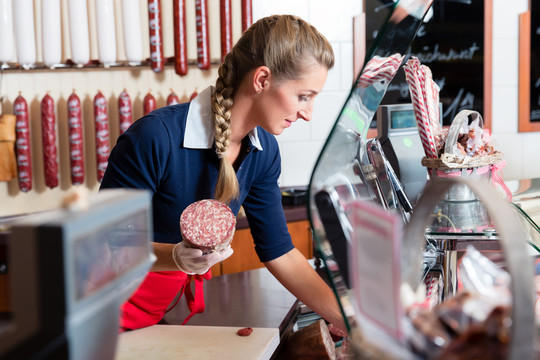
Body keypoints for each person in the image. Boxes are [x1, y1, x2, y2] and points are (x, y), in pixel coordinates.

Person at [100, 14, 345, 332]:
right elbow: (105, 244)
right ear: (261, 80)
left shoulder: (264, 151)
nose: (308, 114)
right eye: (303, 96)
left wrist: (345, 320)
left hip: (156, 313)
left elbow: (279, 251)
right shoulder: (155, 137)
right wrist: (175, 257)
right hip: (97, 310)